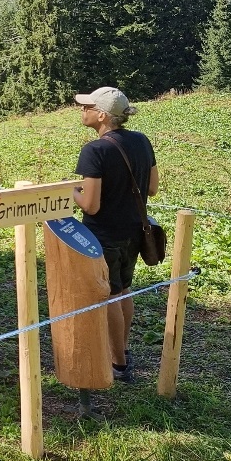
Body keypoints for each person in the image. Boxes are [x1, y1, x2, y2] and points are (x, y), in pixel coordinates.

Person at [71, 86, 158, 384]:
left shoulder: (95, 150)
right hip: (134, 231)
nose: (82, 110)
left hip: (103, 236)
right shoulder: (142, 141)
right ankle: (123, 349)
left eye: (87, 107)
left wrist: (71, 191)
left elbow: (91, 205)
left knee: (109, 296)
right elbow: (152, 188)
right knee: (124, 291)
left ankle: (118, 364)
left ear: (102, 115)